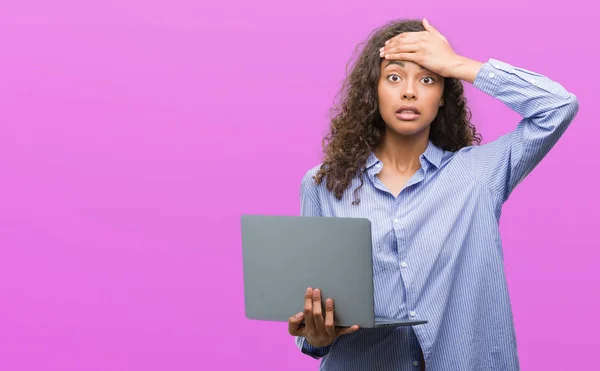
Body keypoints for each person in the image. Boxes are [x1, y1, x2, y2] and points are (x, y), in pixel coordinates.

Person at [286, 18, 579, 371]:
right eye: (394, 77)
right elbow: (312, 316)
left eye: (428, 79)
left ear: (443, 97)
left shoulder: (477, 175)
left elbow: (557, 107)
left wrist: (457, 64)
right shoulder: (323, 185)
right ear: (373, 91)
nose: (409, 92)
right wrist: (317, 335)